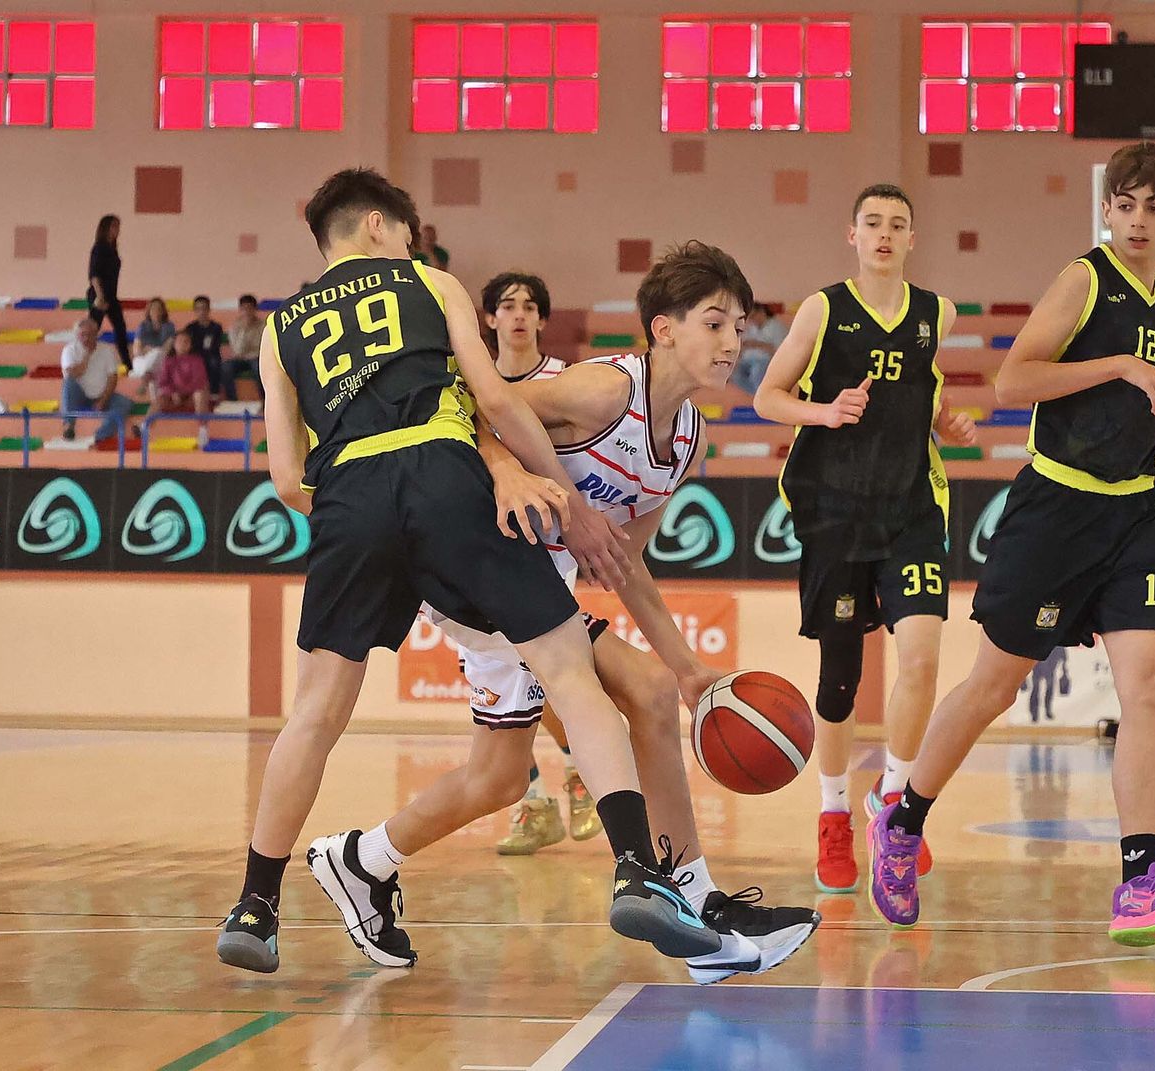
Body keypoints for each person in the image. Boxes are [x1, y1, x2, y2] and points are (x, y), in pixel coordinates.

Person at [215, 168, 717, 976]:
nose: (409, 245)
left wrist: (355, 512)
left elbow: (283, 476)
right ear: (379, 226)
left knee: (315, 712)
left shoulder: (279, 330)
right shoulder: (429, 280)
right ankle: (635, 868)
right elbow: (497, 397)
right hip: (446, 478)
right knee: (568, 666)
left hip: (346, 493)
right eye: (405, 232)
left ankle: (255, 902)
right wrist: (553, 489)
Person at [307, 242, 820, 985]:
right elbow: (473, 409)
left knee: (499, 777)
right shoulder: (602, 392)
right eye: (715, 322)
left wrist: (689, 668)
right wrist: (511, 469)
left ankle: (357, 858)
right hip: (472, 561)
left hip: (528, 588)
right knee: (637, 694)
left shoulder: (684, 442)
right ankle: (692, 902)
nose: (733, 341)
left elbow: (621, 561)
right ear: (664, 329)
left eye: (739, 326)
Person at [866, 142, 1155, 946]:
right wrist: (1116, 362)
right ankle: (901, 822)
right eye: (1128, 204)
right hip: (1056, 511)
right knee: (993, 688)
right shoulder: (1085, 279)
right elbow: (1014, 382)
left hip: (1138, 509)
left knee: (1152, 687)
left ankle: (1140, 878)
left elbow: (1141, 392)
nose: (1140, 219)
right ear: (1108, 211)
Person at [754, 183, 974, 895]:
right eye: (872, 223)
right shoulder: (823, 308)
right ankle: (834, 814)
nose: (884, 234)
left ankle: (897, 806)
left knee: (921, 659)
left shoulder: (937, 312)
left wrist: (947, 425)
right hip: (834, 514)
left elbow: (923, 393)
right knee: (840, 682)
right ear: (852, 234)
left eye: (898, 224)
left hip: (911, 509)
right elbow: (767, 397)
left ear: (913, 238)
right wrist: (824, 410)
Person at [476, 270, 597, 855]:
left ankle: (573, 772)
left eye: (530, 306)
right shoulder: (468, 383)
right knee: (495, 687)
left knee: (537, 673)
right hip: (477, 546)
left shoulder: (563, 383)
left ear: (543, 320)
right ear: (491, 319)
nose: (520, 314)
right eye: (508, 305)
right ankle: (537, 799)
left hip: (545, 545)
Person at [60, 317, 133, 444]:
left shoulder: (107, 350)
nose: (86, 338)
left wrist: (103, 399)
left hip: (102, 393)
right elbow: (72, 374)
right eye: (83, 335)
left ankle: (100, 436)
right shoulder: (69, 350)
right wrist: (87, 356)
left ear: (96, 334)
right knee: (68, 385)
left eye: (90, 335)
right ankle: (68, 426)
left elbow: (112, 378)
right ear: (78, 335)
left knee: (125, 403)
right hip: (79, 394)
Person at [153, 330, 212, 445]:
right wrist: (173, 393)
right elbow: (162, 383)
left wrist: (181, 393)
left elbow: (199, 382)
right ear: (174, 344)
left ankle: (203, 430)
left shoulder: (197, 360)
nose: (182, 344)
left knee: (200, 394)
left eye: (185, 342)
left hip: (191, 398)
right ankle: (144, 427)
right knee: (160, 398)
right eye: (179, 342)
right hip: (173, 398)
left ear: (190, 345)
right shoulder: (168, 361)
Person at [87, 214, 130, 369]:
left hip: (111, 295)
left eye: (118, 227)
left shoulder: (112, 249)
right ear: (105, 228)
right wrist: (100, 296)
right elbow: (94, 275)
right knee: (92, 330)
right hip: (100, 295)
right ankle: (85, 360)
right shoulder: (99, 248)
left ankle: (127, 363)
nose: (117, 230)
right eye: (114, 226)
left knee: (120, 329)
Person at [730, 302, 786, 394]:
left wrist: (757, 344)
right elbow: (744, 344)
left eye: (753, 316)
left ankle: (762, 395)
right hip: (748, 359)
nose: (752, 320)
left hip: (765, 361)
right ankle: (756, 395)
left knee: (756, 372)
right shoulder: (752, 328)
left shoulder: (776, 327)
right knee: (734, 373)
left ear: (761, 313)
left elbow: (778, 351)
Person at [221, 294, 265, 400]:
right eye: (244, 309)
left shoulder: (262, 325)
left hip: (256, 358)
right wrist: (244, 330)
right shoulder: (235, 327)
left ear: (255, 309)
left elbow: (262, 348)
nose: (247, 312)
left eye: (250, 308)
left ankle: (264, 400)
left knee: (259, 368)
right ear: (240, 310)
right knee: (226, 367)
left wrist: (252, 354)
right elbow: (238, 350)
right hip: (240, 359)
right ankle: (232, 400)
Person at [183, 295, 228, 398]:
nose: (201, 312)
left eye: (204, 308)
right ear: (194, 310)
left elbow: (214, 346)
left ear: (208, 309)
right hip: (194, 356)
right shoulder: (190, 328)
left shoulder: (216, 327)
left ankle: (214, 392)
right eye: (198, 309)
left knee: (213, 362)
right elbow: (188, 346)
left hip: (211, 355)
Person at [132, 297, 177, 388]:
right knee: (150, 362)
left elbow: (166, 350)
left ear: (163, 311)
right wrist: (147, 351)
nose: (156, 311)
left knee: (157, 354)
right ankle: (146, 374)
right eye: (153, 309)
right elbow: (137, 352)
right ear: (149, 311)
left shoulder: (170, 327)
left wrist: (149, 349)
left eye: (159, 309)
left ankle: (146, 377)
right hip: (143, 360)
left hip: (161, 361)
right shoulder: (143, 326)